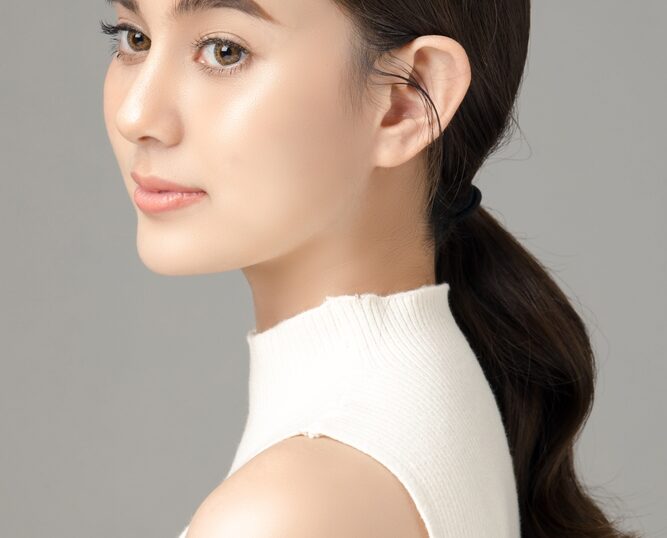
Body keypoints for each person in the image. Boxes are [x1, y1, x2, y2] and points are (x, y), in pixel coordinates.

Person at [100, 0, 639, 536]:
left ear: (407, 99)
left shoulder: (293, 508)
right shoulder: (423, 401)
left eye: (224, 50)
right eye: (134, 39)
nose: (136, 116)